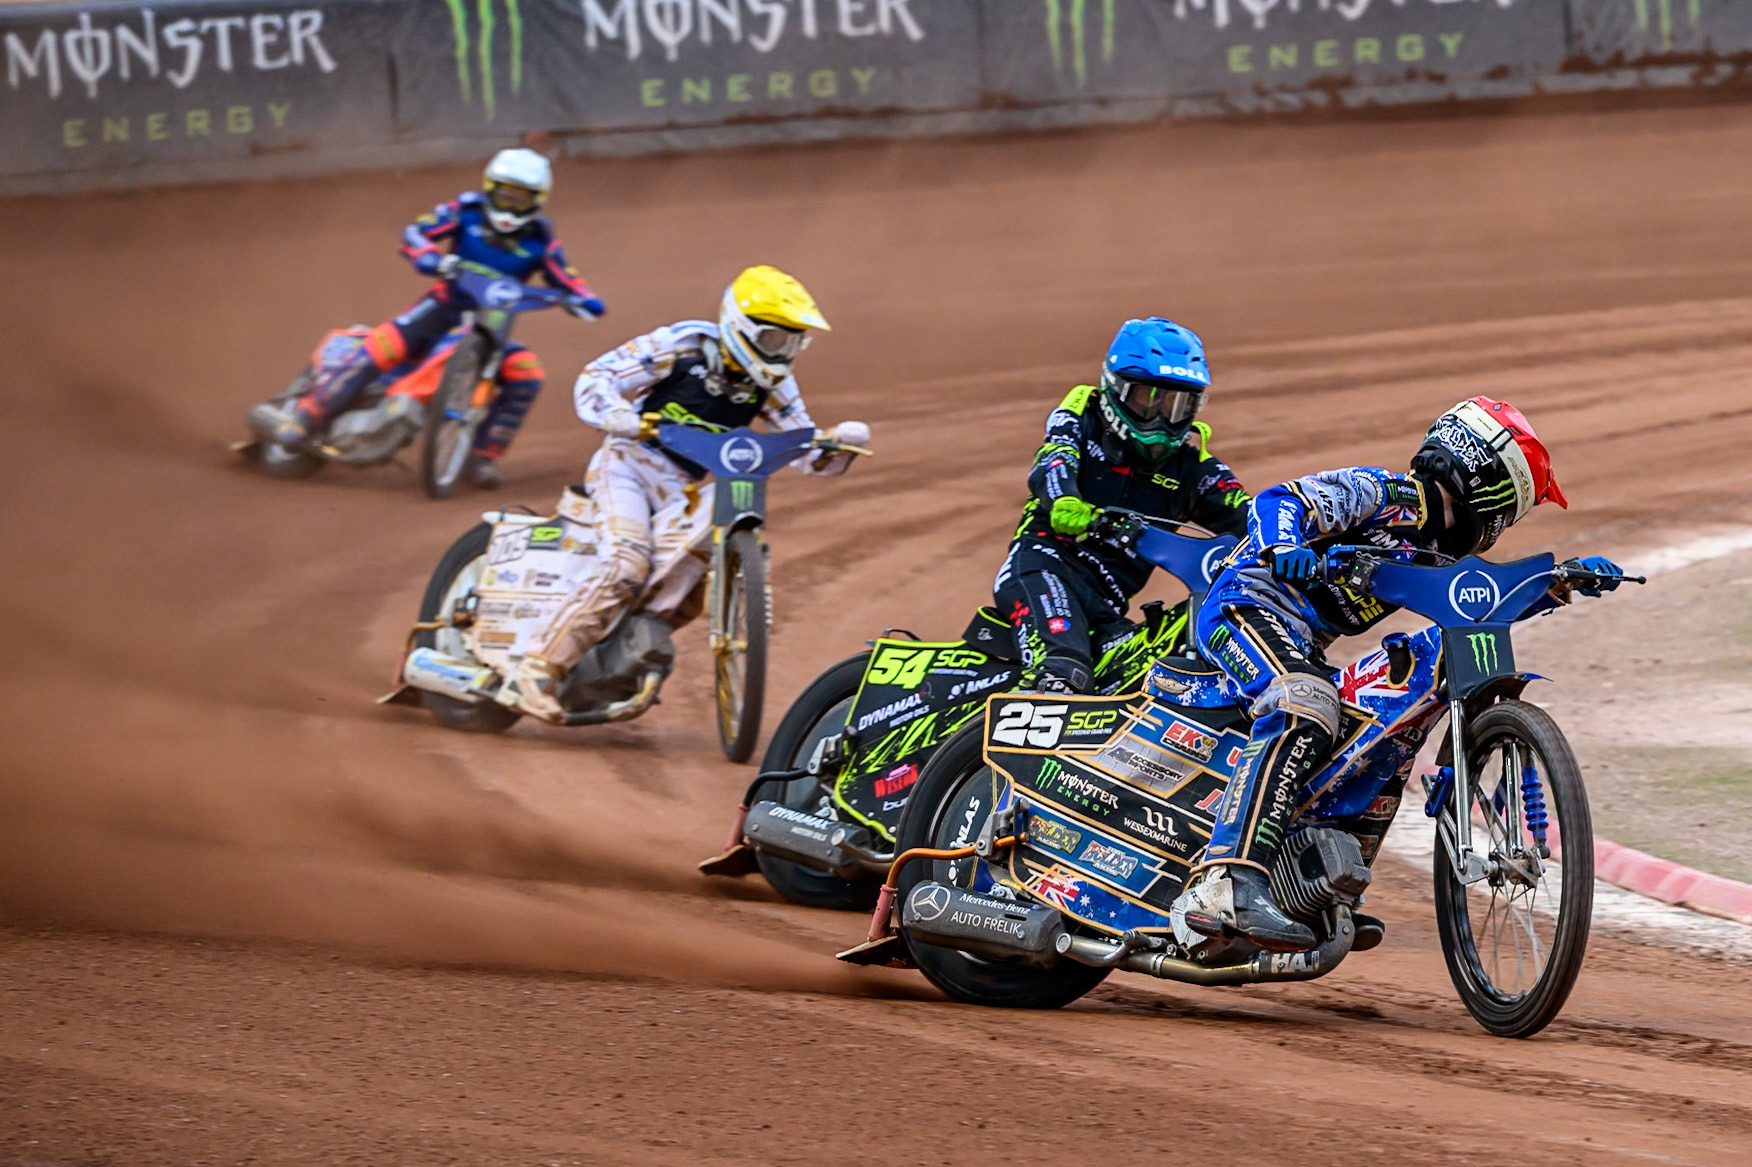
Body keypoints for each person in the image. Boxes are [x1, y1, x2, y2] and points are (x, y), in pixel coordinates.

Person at [1175, 396, 1625, 951]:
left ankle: (1328, 885)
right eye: (1512, 506)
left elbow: (1477, 601)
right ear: (1482, 479)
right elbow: (1278, 500)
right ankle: (1224, 885)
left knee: (1395, 722)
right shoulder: (1384, 493)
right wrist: (1283, 545)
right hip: (1245, 605)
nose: (1504, 524)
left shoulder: (1435, 551)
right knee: (1304, 701)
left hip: (1300, 639)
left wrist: (1558, 584)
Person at [497, 265, 870, 721]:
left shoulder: (773, 383)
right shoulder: (685, 345)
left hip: (683, 489)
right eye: (777, 340)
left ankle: (618, 656)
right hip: (627, 466)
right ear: (742, 327)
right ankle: (537, 669)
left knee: (694, 573)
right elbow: (599, 376)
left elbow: (804, 448)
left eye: (796, 342)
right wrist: (617, 413)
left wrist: (834, 445)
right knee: (627, 564)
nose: (785, 353)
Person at [250, 148, 605, 488]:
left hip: (491, 329)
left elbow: (567, 277)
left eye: (522, 198)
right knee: (383, 344)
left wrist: (583, 299)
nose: (511, 205)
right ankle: (307, 417)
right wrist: (429, 257)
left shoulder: (542, 241)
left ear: (537, 200)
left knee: (527, 373)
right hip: (439, 310)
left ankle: (482, 458)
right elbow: (416, 232)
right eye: (507, 194)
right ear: (491, 188)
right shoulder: (465, 212)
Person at [993, 317, 1250, 694]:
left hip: (1106, 607)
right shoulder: (1080, 421)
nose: (1164, 418)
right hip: (1045, 570)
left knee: (1143, 679)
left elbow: (1253, 514)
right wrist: (1065, 500)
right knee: (1065, 674)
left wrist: (1306, 542)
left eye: (1179, 405)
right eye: (1150, 399)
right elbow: (1055, 461)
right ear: (1115, 389)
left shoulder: (1192, 468)